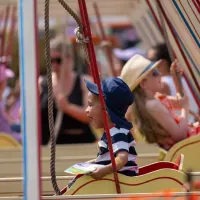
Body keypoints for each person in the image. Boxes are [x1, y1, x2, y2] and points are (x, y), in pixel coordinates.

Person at [120, 54, 200, 150]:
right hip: (187, 146)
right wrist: (185, 109)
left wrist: (175, 77)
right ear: (143, 83)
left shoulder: (156, 99)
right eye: (155, 73)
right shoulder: (153, 105)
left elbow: (180, 102)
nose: (160, 74)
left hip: (187, 142)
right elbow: (179, 135)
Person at [40, 37, 96, 144]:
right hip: (49, 145)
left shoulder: (85, 82)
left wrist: (68, 108)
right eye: (51, 61)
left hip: (79, 144)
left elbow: (92, 115)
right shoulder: (41, 83)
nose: (54, 65)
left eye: (58, 60)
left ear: (69, 59)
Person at [84, 77, 138, 179]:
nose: (86, 110)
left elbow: (122, 158)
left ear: (106, 110)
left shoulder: (117, 132)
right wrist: (91, 163)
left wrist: (103, 171)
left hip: (121, 180)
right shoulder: (112, 131)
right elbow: (108, 159)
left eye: (90, 105)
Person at [147, 43, 199, 123]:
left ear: (161, 63)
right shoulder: (184, 78)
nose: (148, 65)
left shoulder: (162, 84)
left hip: (187, 127)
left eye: (150, 60)